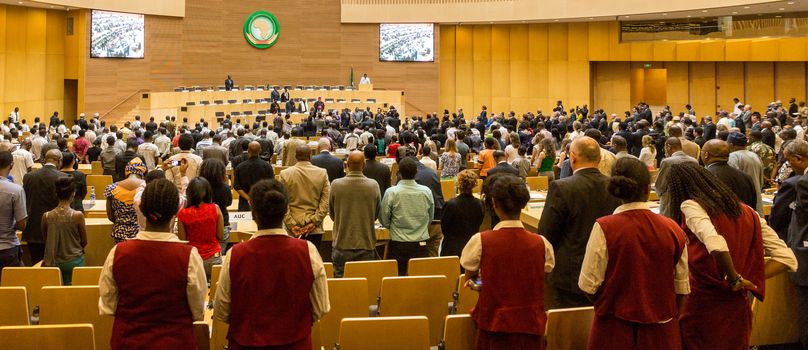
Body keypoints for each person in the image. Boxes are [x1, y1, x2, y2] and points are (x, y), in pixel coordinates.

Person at [666, 162, 796, 350]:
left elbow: (716, 244)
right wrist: (746, 278)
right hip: (736, 306)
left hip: (701, 304)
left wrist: (735, 277)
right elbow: (787, 258)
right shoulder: (748, 211)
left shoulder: (690, 205)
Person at [579, 157, 689, 350]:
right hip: (661, 328)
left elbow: (588, 286)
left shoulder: (605, 227)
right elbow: (682, 288)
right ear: (647, 189)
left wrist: (610, 303)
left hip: (613, 328)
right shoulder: (672, 228)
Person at [213, 179, 329, 349]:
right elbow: (321, 307)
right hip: (295, 343)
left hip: (246, 342)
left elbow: (221, 311)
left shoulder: (235, 255)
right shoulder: (308, 251)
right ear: (284, 211)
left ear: (253, 211)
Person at [99, 178, 207, 349]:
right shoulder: (189, 256)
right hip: (176, 342)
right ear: (175, 212)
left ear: (141, 207)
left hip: (128, 341)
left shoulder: (118, 252)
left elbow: (108, 306)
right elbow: (197, 310)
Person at [460, 173, 554, 347]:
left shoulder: (480, 241)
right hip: (531, 326)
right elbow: (543, 282)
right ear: (524, 204)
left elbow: (470, 279)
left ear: (494, 204)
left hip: (493, 325)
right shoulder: (542, 244)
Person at [539, 136, 621, 308]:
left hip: (570, 273)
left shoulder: (561, 187)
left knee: (569, 330)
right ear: (599, 159)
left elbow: (546, 233)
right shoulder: (614, 186)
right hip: (606, 269)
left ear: (573, 157)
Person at [329, 151, 381, 277]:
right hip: (366, 243)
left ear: (346, 165)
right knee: (365, 286)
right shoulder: (373, 185)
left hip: (342, 243)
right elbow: (376, 214)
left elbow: (332, 214)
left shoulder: (336, 184)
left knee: (341, 286)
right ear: (364, 165)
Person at [380, 157, 434, 275]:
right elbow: (430, 218)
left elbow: (384, 219)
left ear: (399, 173)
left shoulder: (391, 192)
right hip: (420, 243)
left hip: (398, 243)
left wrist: (393, 227)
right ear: (416, 173)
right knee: (420, 284)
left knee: (397, 283)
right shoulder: (426, 192)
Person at [277, 144, 330, 248]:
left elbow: (281, 202)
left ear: (296, 156)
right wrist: (315, 222)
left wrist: (291, 224)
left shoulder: (285, 174)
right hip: (315, 229)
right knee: (312, 262)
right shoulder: (322, 173)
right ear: (311, 156)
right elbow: (325, 202)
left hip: (291, 229)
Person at [177, 177, 224, 282]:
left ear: (189, 193)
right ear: (208, 192)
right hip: (214, 257)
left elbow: (182, 241)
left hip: (193, 259)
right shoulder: (215, 208)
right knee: (214, 290)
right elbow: (221, 236)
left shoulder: (183, 213)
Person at [42, 177, 86, 285]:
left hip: (52, 262)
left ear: (56, 194)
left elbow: (46, 239)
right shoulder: (78, 215)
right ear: (73, 194)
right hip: (74, 261)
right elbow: (84, 241)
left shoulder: (46, 216)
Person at [22, 149, 63, 264]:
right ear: (59, 161)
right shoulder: (63, 177)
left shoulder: (28, 177)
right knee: (56, 266)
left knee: (35, 264)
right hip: (56, 228)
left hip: (33, 227)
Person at [700, 139, 758, 211]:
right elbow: (752, 208)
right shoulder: (746, 177)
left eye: (701, 151)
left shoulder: (705, 176)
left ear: (706, 154)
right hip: (745, 220)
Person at [440, 170, 483, 258]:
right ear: (474, 184)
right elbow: (479, 222)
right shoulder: (479, 203)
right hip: (472, 245)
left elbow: (444, 227)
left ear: (458, 184)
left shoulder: (450, 204)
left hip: (451, 247)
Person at [655, 137, 699, 218]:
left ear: (668, 146)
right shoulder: (694, 161)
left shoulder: (667, 162)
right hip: (690, 203)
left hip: (670, 203)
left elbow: (660, 186)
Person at [105, 158, 146, 243]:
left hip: (120, 233)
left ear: (126, 172)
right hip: (141, 234)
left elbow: (110, 216)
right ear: (142, 172)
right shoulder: (147, 188)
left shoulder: (112, 188)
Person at [0, 151, 27, 277]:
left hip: (8, 247)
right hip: (7, 247)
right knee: (13, 290)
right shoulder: (15, 190)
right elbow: (22, 224)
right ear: (11, 165)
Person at [199, 159, 233, 253]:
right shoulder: (225, 188)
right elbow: (229, 203)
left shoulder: (199, 187)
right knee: (219, 255)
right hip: (222, 225)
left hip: (202, 223)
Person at [727, 132, 764, 214]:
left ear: (731, 144)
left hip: (743, 204)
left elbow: (734, 181)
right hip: (757, 199)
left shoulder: (733, 156)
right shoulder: (754, 155)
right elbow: (761, 180)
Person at [233, 141, 274, 211]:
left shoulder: (240, 167)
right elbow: (271, 185)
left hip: (245, 203)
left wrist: (249, 198)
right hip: (262, 202)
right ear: (260, 150)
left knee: (244, 222)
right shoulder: (267, 166)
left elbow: (237, 186)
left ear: (248, 150)